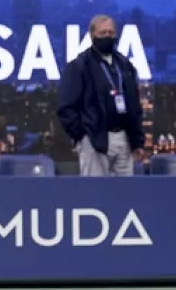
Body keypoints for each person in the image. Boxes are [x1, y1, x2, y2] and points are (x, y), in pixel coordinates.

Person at [56, 14, 145, 176]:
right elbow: (65, 107)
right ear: (92, 36)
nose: (107, 37)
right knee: (94, 196)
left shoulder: (125, 65)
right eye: (103, 33)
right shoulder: (80, 65)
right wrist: (82, 136)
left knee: (126, 196)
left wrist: (137, 140)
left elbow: (135, 105)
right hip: (94, 139)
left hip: (124, 139)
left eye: (111, 33)